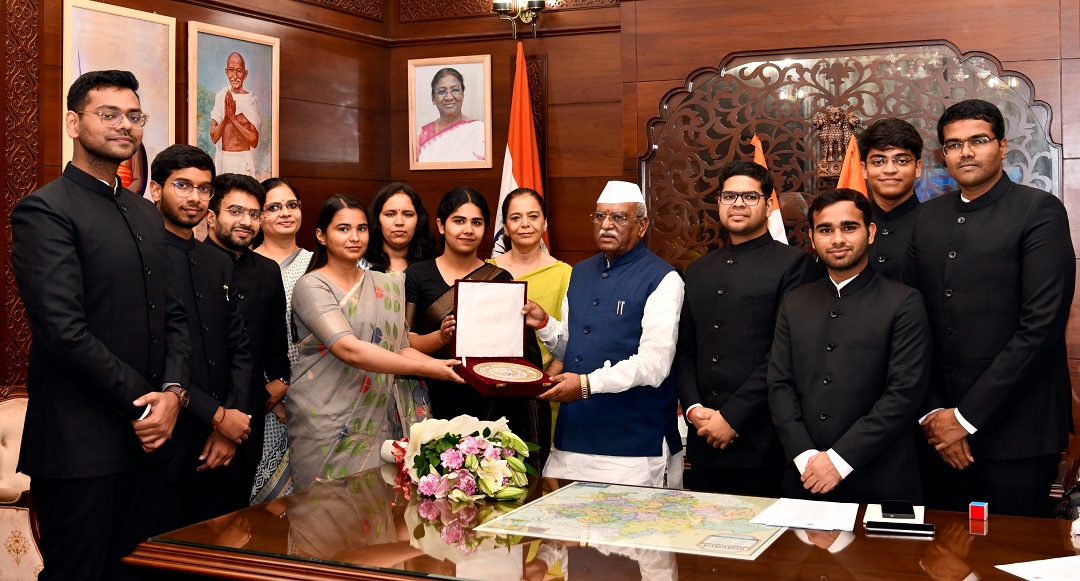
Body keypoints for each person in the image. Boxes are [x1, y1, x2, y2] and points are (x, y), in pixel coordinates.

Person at [10, 70, 190, 581]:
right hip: (80, 447)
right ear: (73, 121)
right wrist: (148, 403)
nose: (124, 125)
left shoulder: (144, 212)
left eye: (134, 116)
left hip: (152, 442)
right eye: (108, 114)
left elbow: (174, 316)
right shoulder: (44, 210)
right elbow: (63, 331)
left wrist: (175, 393)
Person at [907, 99, 1075, 517]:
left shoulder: (1039, 211)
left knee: (1011, 561)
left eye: (977, 141)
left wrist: (963, 419)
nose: (965, 152)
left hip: (1018, 431)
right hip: (939, 430)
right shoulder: (927, 218)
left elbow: (1040, 329)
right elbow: (912, 323)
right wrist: (934, 414)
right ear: (942, 155)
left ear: (1001, 146)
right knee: (943, 558)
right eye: (953, 144)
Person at [286, 195, 462, 489]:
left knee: (377, 513)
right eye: (343, 229)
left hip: (379, 418)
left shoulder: (387, 284)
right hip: (324, 420)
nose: (354, 237)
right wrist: (434, 371)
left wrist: (445, 366)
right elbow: (348, 349)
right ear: (321, 235)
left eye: (362, 228)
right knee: (323, 514)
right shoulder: (311, 285)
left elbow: (402, 346)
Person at [768, 188, 931, 503]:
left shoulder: (903, 301)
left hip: (882, 481)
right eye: (826, 230)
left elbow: (903, 393)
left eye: (849, 227)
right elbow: (779, 384)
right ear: (813, 239)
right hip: (805, 477)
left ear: (869, 233)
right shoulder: (795, 301)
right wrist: (805, 457)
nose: (837, 239)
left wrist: (838, 461)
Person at [522, 181, 685, 488]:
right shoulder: (580, 272)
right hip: (572, 439)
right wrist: (544, 324)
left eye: (619, 218)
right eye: (599, 217)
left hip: (631, 444)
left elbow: (654, 365)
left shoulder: (663, 278)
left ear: (642, 225)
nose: (607, 225)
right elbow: (572, 350)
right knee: (561, 535)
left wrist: (584, 385)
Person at [676, 161, 818, 496]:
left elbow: (785, 354)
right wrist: (695, 409)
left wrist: (732, 418)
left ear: (769, 205)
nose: (738, 203)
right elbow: (685, 349)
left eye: (750, 196)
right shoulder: (698, 269)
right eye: (730, 196)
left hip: (762, 441)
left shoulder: (795, 265)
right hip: (703, 438)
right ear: (720, 203)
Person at [148, 144, 254, 530]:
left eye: (204, 188)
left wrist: (231, 424)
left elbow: (238, 347)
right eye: (183, 185)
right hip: (168, 435)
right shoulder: (141, 256)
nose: (194, 197)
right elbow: (151, 353)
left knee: (221, 553)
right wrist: (216, 416)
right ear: (157, 190)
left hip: (225, 440)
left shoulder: (218, 260)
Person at [404, 187, 540, 430]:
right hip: (431, 393)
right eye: (459, 221)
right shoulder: (416, 275)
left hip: (488, 400)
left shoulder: (500, 278)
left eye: (476, 222)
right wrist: (440, 337)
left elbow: (512, 349)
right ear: (441, 225)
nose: (468, 229)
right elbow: (404, 341)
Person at [205, 173, 291, 508]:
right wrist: (217, 420)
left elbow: (275, 341)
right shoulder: (189, 263)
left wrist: (281, 380)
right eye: (236, 212)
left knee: (236, 515)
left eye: (254, 214)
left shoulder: (267, 271)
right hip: (198, 417)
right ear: (211, 216)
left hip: (250, 417)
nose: (246, 222)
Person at [490, 188, 571, 443]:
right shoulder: (486, 272)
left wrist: (544, 383)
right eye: (515, 218)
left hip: (548, 389)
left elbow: (571, 337)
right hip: (495, 389)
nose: (525, 224)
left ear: (545, 223)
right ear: (504, 226)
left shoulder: (565, 273)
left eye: (533, 216)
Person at [249, 177, 312, 503]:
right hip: (260, 397)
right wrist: (271, 396)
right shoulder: (243, 264)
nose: (285, 213)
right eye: (273, 207)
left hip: (316, 398)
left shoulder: (320, 263)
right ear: (259, 216)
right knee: (266, 509)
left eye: (291, 205)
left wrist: (291, 388)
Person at [859, 118, 924, 281]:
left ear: (917, 168)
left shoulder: (936, 224)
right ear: (864, 169)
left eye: (901, 160)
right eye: (878, 161)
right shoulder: (852, 225)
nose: (889, 170)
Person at [363, 182, 437, 274]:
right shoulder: (359, 265)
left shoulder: (434, 265)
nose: (399, 222)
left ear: (419, 220)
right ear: (377, 220)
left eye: (408, 214)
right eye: (390, 214)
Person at [415, 68, 485, 163]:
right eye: (441, 91)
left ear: (463, 94)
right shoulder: (423, 135)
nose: (449, 97)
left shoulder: (479, 130)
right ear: (433, 98)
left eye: (455, 90)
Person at [210, 52, 261, 176]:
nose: (235, 76)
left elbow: (254, 141)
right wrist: (227, 118)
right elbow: (214, 137)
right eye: (231, 70)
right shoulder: (221, 96)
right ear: (226, 72)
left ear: (245, 74)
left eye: (239, 71)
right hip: (224, 159)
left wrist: (233, 120)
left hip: (243, 160)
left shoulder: (251, 101)